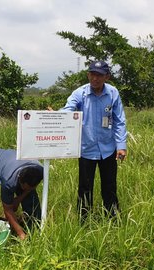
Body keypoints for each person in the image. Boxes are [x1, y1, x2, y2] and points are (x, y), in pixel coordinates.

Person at [60, 60, 128, 221]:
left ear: (107, 77)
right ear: (88, 74)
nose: (95, 79)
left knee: (109, 186)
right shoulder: (80, 93)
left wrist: (121, 146)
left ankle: (113, 220)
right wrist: (57, 115)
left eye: (99, 75)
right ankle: (84, 222)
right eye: (92, 74)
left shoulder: (112, 93)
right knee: (85, 188)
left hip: (108, 149)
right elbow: (69, 109)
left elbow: (119, 120)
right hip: (86, 148)